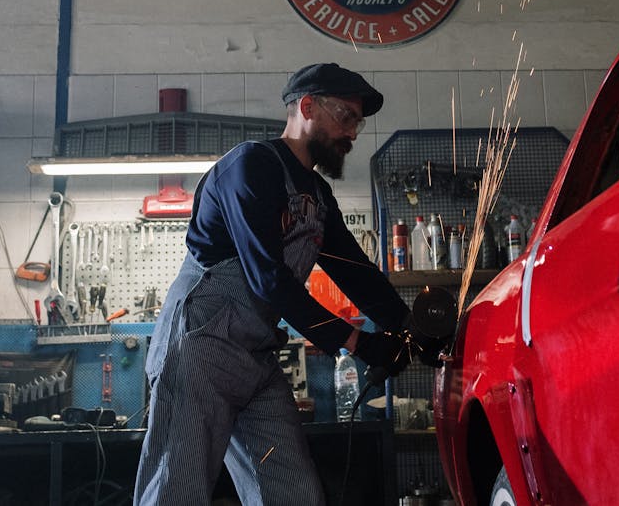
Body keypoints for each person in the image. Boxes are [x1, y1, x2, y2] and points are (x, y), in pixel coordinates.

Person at [134, 63, 413, 505]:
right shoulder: (251, 167)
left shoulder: (318, 196)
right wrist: (357, 341)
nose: (353, 133)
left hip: (255, 355)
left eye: (358, 123)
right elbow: (270, 280)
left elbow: (354, 271)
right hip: (200, 348)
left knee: (292, 492)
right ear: (306, 107)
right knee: (177, 489)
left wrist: (412, 327)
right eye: (346, 117)